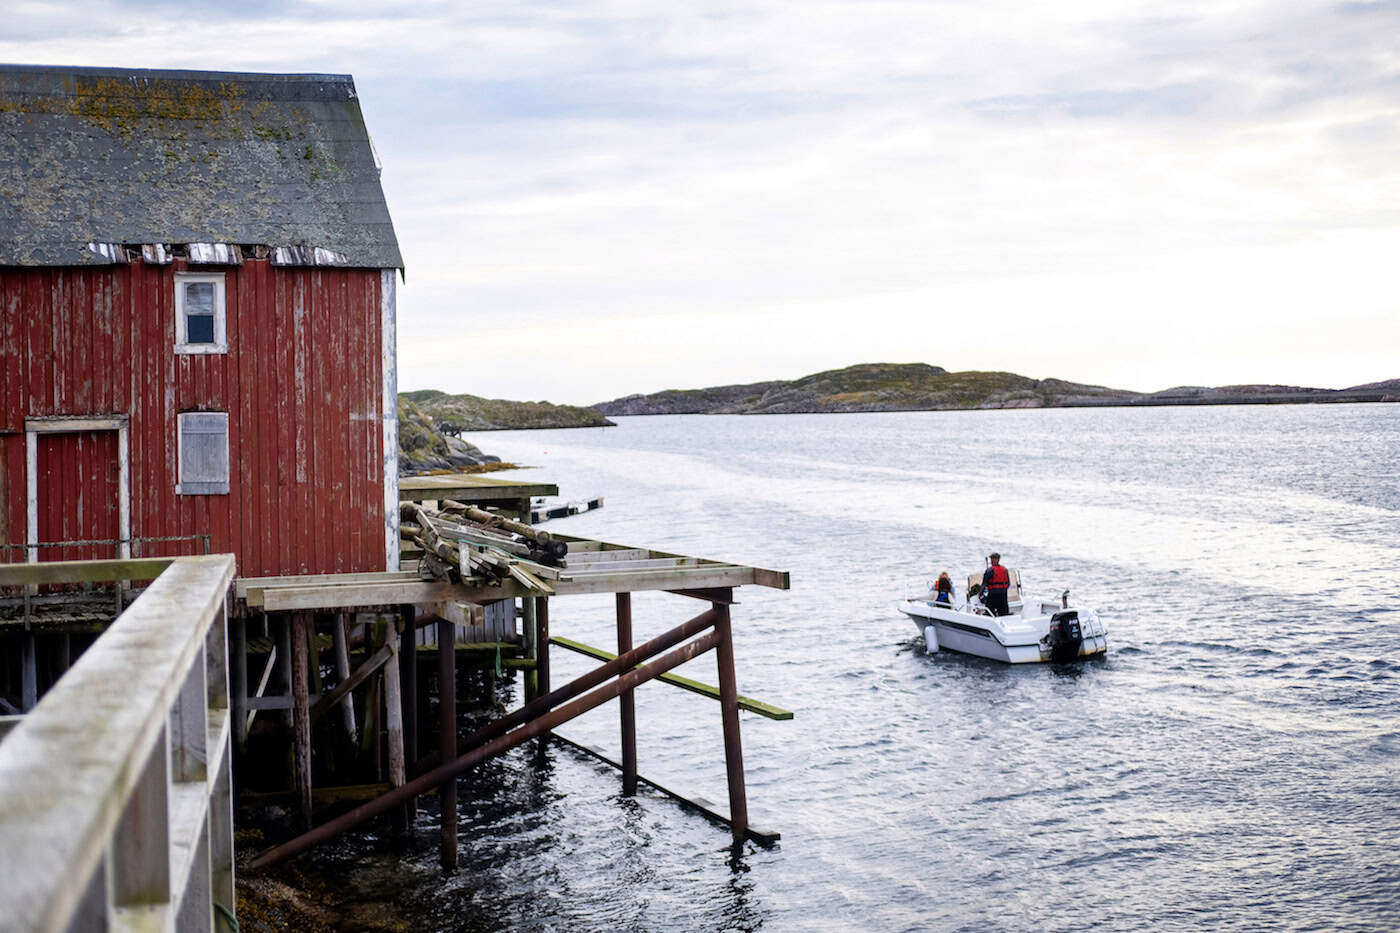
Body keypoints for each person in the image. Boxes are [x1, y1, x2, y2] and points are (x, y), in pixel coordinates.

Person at [982, 552, 1011, 617]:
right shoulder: (1005, 570)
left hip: (993, 595)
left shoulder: (989, 570)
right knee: (1003, 614)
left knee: (989, 613)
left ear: (998, 559)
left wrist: (980, 593)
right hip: (1003, 595)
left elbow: (984, 584)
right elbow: (1008, 583)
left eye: (993, 558)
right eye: (991, 559)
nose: (992, 560)